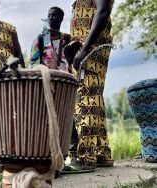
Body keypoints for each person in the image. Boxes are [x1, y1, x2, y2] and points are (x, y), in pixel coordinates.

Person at [67, 0, 115, 171]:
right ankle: (102, 153)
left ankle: (86, 157)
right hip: (87, 48)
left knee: (86, 101)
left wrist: (84, 49)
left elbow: (102, 12)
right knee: (94, 98)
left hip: (90, 49)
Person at [29, 7, 71, 72]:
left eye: (54, 15)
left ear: (61, 19)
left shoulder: (67, 39)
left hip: (65, 80)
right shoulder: (40, 39)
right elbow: (33, 64)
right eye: (49, 16)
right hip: (46, 78)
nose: (50, 18)